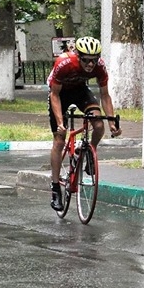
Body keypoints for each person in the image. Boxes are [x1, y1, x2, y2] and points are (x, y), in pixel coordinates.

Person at [48, 36, 122, 211]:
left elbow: (105, 95)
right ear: (78, 56)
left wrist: (112, 121)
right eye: (86, 60)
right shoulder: (64, 62)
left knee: (98, 125)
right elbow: (54, 95)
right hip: (59, 94)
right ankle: (56, 187)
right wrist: (60, 122)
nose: (90, 65)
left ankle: (88, 151)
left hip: (80, 91)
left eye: (94, 60)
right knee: (59, 139)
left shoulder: (100, 67)